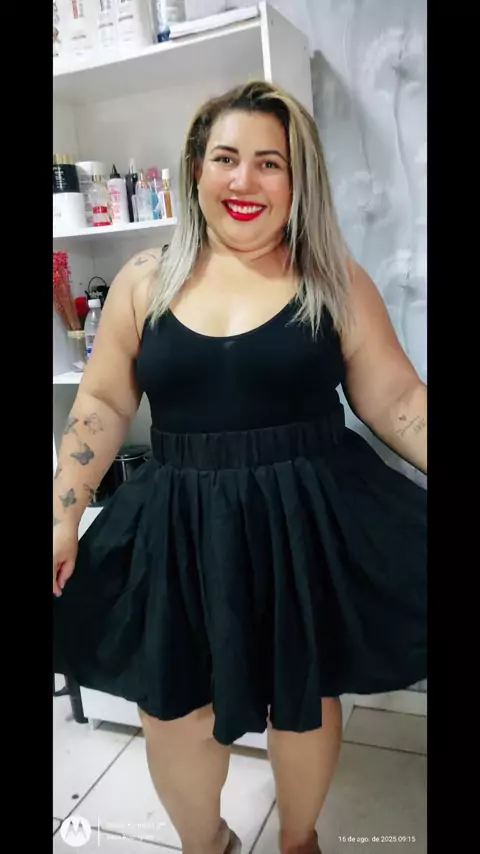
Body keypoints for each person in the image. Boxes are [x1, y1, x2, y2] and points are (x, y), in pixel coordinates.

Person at [53, 80, 426, 854]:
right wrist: (63, 514)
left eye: (270, 163)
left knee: (302, 697)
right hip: (181, 520)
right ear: (196, 168)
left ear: (297, 180)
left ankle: (298, 841)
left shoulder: (332, 278)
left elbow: (396, 401)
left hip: (307, 514)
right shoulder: (144, 280)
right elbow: (103, 403)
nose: (244, 180)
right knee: (172, 707)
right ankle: (208, 844)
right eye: (226, 158)